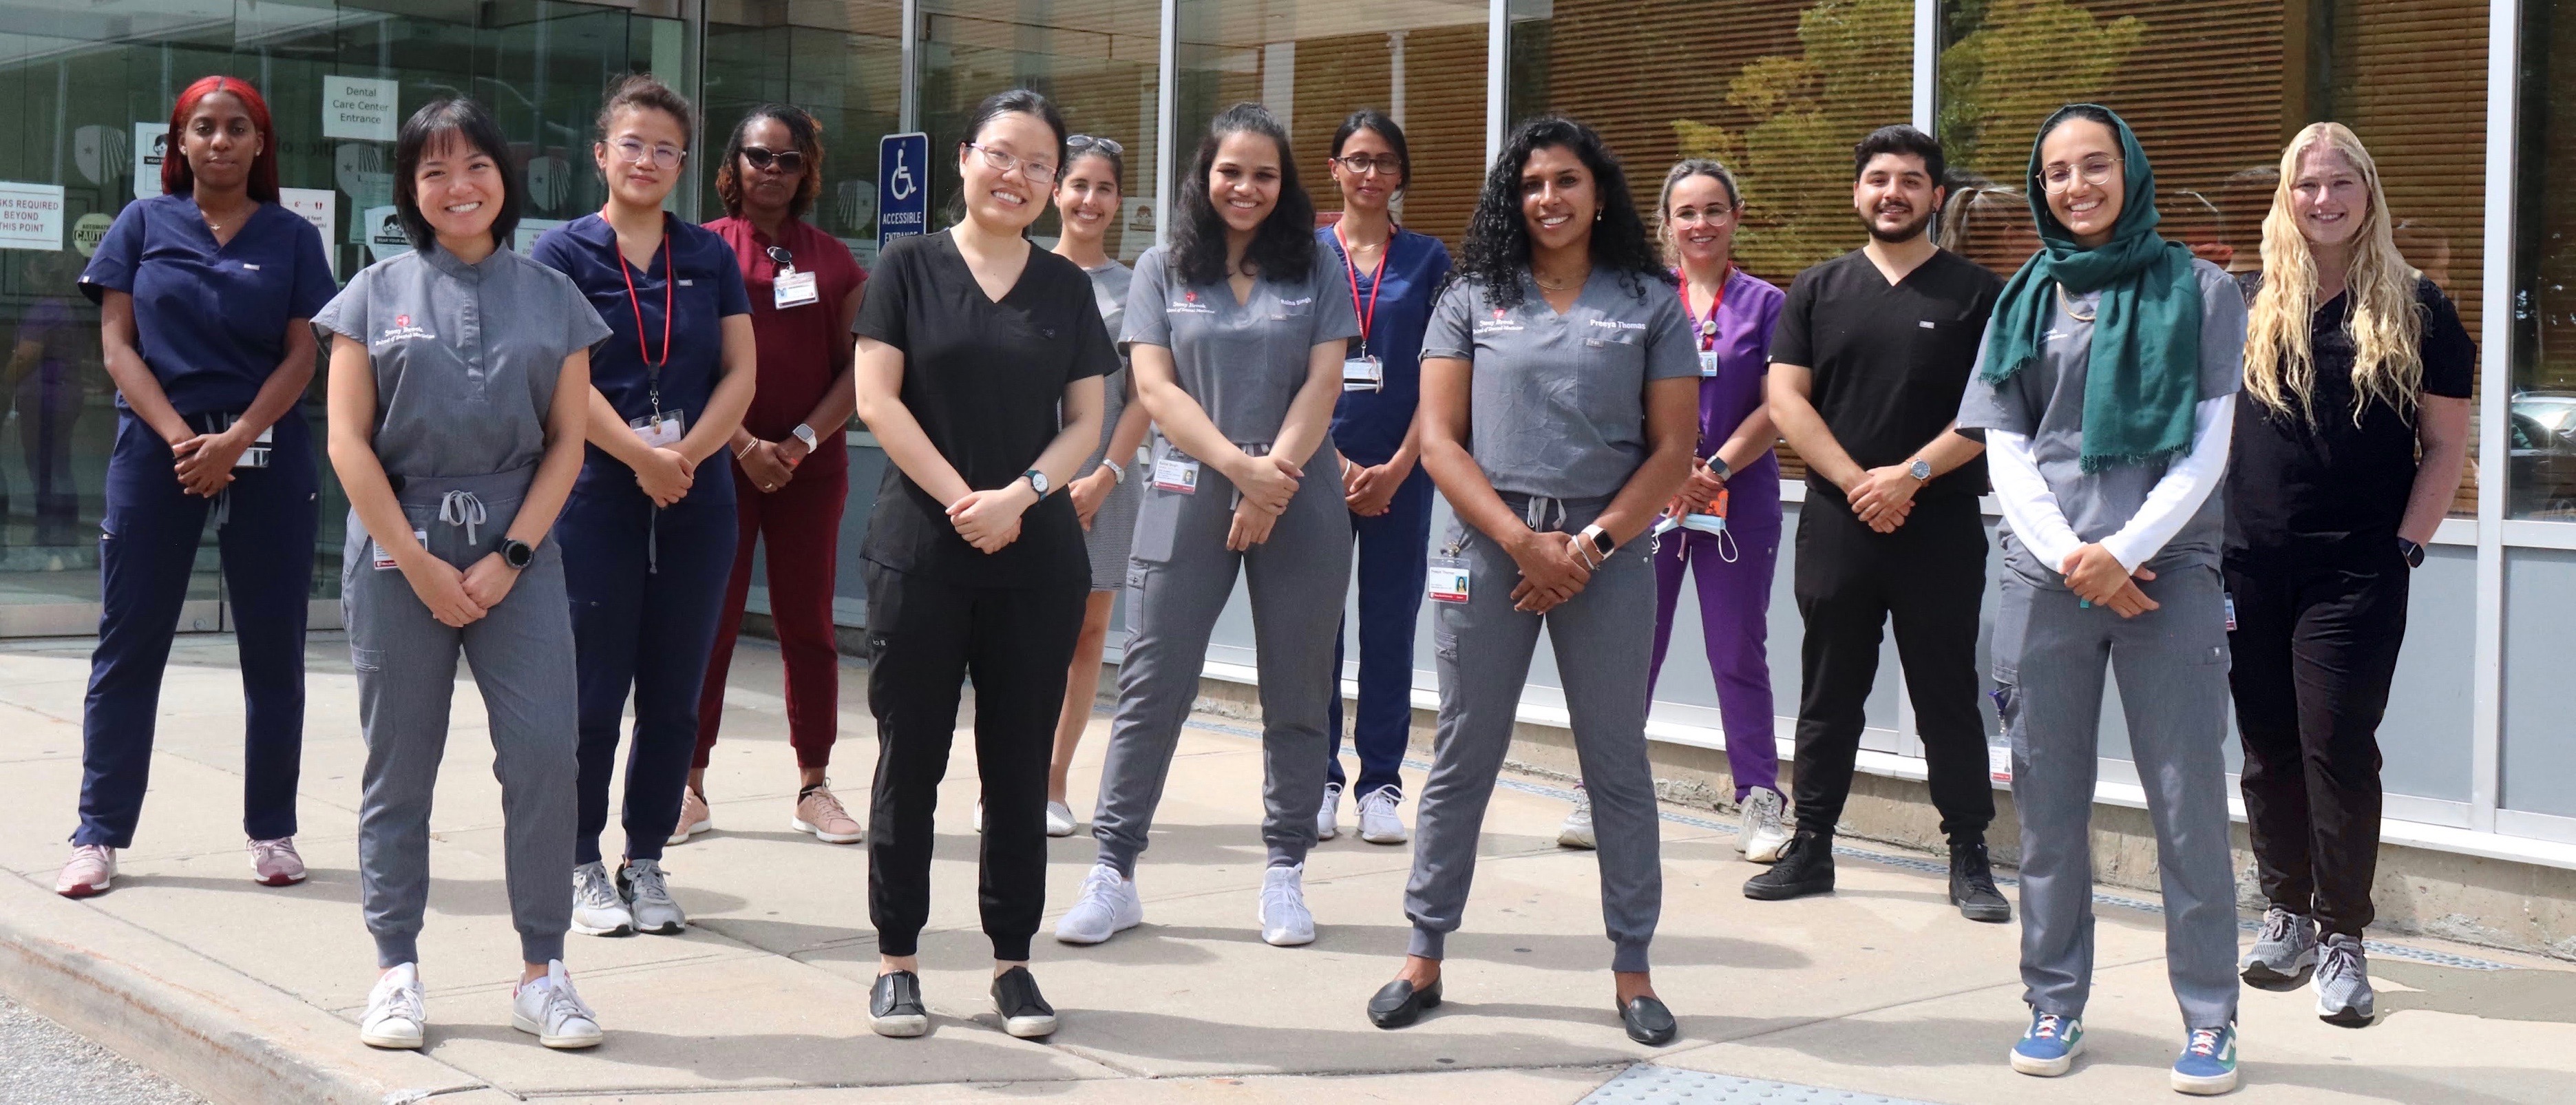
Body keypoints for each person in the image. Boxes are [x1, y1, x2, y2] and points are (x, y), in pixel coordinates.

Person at [1364, 115, 1697, 1045]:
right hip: (1488, 547)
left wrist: (1583, 548)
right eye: (1530, 184)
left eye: (1565, 181)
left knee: (1615, 763)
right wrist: (1521, 543)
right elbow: (1439, 442)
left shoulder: (1649, 301)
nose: (1548, 198)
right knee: (1463, 752)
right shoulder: (1471, 297)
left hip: (1607, 552)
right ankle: (1423, 953)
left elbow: (1674, 450)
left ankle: (1633, 969)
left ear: (1599, 193)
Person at [1953, 104, 2247, 1095]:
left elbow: (2208, 444)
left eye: (2094, 165)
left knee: (2187, 806)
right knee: (2045, 808)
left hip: (2169, 576)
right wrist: (2076, 558)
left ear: (2129, 169)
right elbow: (2004, 446)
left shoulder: (2202, 290)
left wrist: (2122, 551)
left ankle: (2208, 1019)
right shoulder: (2022, 296)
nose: (2075, 186)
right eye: (2056, 172)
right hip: (2046, 579)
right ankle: (2052, 1000)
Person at [319, 96, 608, 1053]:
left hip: (519, 553)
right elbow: (347, 442)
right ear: (410, 189)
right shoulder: (371, 294)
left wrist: (510, 556)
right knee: (399, 765)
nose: (458, 186)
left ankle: (543, 972)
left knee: (543, 755)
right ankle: (394, 969)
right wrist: (415, 560)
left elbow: (567, 444)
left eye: (476, 165)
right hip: (397, 552)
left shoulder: (553, 296)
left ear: (502, 179)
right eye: (434, 170)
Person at [1053, 103, 1357, 951]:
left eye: (1264, 174)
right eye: (1231, 171)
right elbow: (1155, 389)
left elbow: (1325, 382)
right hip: (1191, 490)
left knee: (1298, 690)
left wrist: (1270, 483)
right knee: (1152, 686)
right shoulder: (1162, 267)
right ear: (1204, 176)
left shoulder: (1316, 264)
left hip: (1298, 495)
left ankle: (1285, 870)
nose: (1246, 188)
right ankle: (1113, 872)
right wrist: (1238, 469)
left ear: (1284, 184)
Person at [849, 88, 1108, 1040]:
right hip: (921, 552)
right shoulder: (906, 267)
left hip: (1034, 559)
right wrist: (966, 499)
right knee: (908, 759)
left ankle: (1012, 963)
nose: (1017, 176)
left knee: (1016, 765)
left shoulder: (1064, 287)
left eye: (1038, 165)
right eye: (1001, 155)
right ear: (962, 159)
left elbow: (1087, 419)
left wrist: (1019, 498)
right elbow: (877, 400)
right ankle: (897, 961)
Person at [61, 76, 333, 898]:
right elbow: (118, 346)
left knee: (274, 649)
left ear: (260, 143)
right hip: (160, 450)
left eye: (237, 128)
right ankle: (97, 834)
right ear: (178, 142)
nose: (220, 141)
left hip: (266, 447)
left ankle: (272, 831)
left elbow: (304, 353)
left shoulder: (291, 236)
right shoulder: (142, 224)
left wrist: (239, 438)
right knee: (128, 644)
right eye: (204, 127)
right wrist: (186, 441)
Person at [2228, 123, 2472, 1030]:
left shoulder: (2420, 307)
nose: (2322, 199)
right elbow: (2202, 436)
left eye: (2339, 183)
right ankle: (2284, 915)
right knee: (2266, 749)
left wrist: (2404, 546)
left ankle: (2342, 935)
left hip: (2355, 570)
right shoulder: (2242, 301)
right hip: (2248, 565)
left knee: (2335, 745)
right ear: (2285, 198)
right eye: (2306, 184)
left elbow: (2444, 447)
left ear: (2367, 192)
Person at [1751, 125, 2010, 924]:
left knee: (1945, 694)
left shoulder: (1977, 293)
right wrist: (1857, 482)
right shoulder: (1817, 289)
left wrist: (1909, 477)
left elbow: (1994, 406)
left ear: (1937, 196)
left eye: (1909, 180)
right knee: (1829, 689)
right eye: (1877, 179)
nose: (1892, 193)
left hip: (1940, 523)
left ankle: (1968, 853)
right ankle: (1811, 844)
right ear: (1857, 192)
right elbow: (1784, 399)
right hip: (1839, 523)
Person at [531, 74, 755, 940]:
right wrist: (639, 458)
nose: (647, 160)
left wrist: (684, 459)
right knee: (592, 692)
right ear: (601, 154)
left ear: (683, 165)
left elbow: (740, 373)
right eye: (632, 144)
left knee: (675, 692)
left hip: (696, 495)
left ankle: (647, 857)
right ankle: (578, 859)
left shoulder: (707, 256)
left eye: (666, 149)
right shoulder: (561, 254)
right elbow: (562, 379)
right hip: (595, 493)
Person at [684, 104, 868, 848]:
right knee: (709, 623)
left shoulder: (834, 260)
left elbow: (861, 369)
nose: (772, 170)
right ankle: (688, 783)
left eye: (789, 159)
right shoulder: (700, 249)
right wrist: (741, 444)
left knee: (809, 624)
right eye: (759, 155)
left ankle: (814, 785)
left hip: (809, 471)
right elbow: (687, 362)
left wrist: (796, 442)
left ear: (806, 172)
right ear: (733, 164)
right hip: (718, 465)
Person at [1612, 158, 1791, 863]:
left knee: (1736, 651)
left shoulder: (1767, 305)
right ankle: (1604, 791)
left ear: (1735, 217)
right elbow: (1617, 393)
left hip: (1739, 500)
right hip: (1649, 498)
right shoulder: (1643, 298)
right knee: (1631, 648)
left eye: (1714, 210)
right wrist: (1669, 473)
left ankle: (1760, 800)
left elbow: (1779, 406)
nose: (1701, 224)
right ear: (1667, 222)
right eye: (1686, 212)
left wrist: (1712, 471)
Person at [1317, 109, 1450, 847]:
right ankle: (1318, 778)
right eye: (1358, 159)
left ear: (1402, 175)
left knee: (1390, 628)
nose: (1371, 174)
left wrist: (1399, 466)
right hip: (1318, 467)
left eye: (1385, 162)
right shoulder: (1307, 255)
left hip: (1404, 471)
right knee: (1316, 627)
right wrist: (1334, 463)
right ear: (1334, 168)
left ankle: (1381, 785)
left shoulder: (1429, 259)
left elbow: (1444, 373)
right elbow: (1288, 368)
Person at [1043, 132, 1150, 840]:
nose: (1090, 199)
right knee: (1022, 638)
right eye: (1078, 184)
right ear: (1055, 190)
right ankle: (1005, 778)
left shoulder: (1136, 287)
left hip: (1105, 487)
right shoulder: (1024, 271)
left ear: (1118, 199)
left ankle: (1052, 782)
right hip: (1027, 486)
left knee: (1087, 637)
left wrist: (1105, 476)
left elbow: (1144, 396)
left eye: (1104, 188)